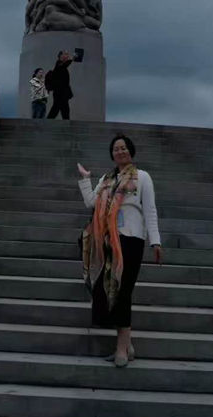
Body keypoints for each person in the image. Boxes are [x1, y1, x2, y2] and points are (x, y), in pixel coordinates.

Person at [77, 133, 163, 367]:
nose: (120, 151)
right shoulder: (106, 179)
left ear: (130, 151)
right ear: (112, 154)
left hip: (131, 239)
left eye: (124, 148)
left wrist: (155, 241)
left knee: (122, 292)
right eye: (116, 149)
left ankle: (121, 348)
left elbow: (150, 210)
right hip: (107, 240)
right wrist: (85, 179)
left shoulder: (142, 177)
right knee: (109, 292)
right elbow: (91, 203)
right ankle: (127, 344)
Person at [47, 50, 73, 119]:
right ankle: (47, 122)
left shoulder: (62, 66)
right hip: (59, 92)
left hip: (63, 93)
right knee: (57, 108)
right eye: (65, 54)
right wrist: (72, 59)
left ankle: (66, 122)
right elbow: (64, 65)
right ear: (61, 56)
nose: (67, 56)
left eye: (67, 54)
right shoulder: (59, 64)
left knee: (64, 109)